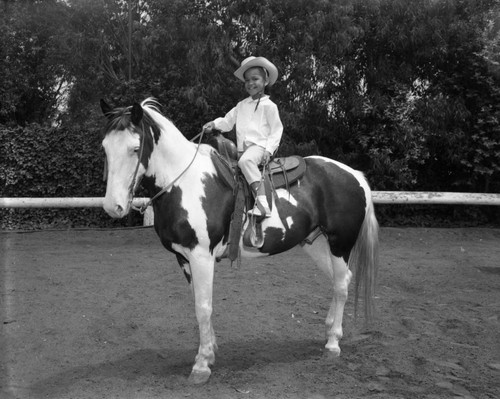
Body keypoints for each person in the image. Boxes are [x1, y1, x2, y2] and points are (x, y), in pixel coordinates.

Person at [203, 56, 283, 217]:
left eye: (255, 79)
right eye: (247, 80)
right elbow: (227, 121)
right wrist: (214, 124)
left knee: (246, 161)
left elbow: (276, 130)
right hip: (242, 150)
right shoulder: (241, 105)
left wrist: (268, 150)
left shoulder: (270, 106)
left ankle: (262, 205)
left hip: (259, 147)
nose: (250, 83)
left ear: (265, 81)